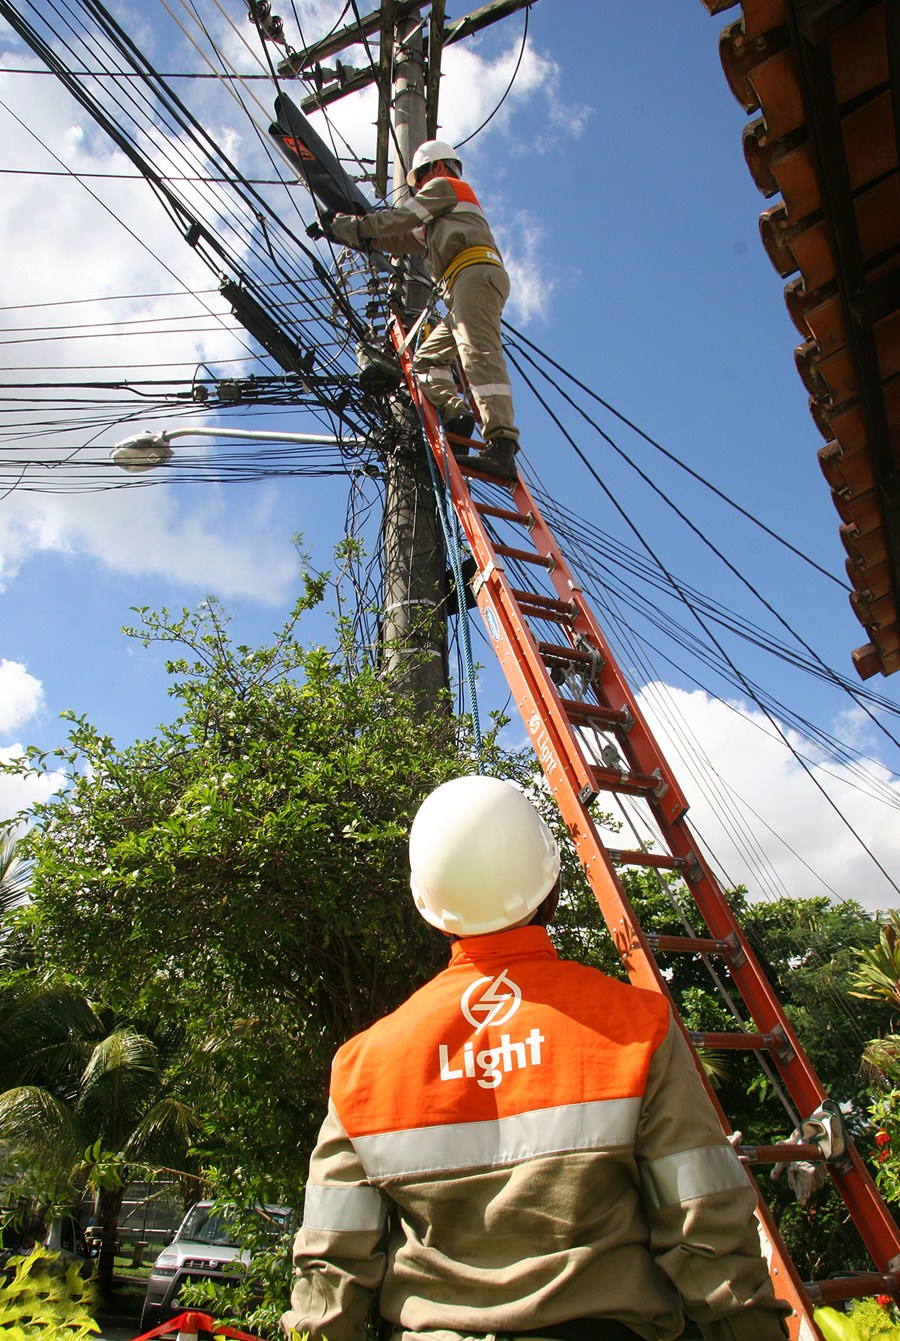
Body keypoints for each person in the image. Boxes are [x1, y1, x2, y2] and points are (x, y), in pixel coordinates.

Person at [281, 775, 791, 1341]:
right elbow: (705, 1225)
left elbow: (331, 1266)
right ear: (551, 889)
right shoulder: (634, 1027)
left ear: (432, 909)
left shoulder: (363, 1066)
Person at [327, 140, 520, 481]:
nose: (419, 188)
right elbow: (402, 239)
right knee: (426, 361)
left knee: (477, 353)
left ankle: (501, 443)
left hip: (473, 274)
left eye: (420, 181)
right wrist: (349, 235)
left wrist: (349, 226)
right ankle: (456, 413)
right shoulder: (441, 215)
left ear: (439, 168)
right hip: (464, 284)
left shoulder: (446, 187)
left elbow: (401, 218)